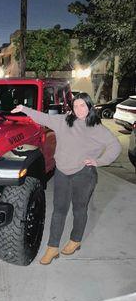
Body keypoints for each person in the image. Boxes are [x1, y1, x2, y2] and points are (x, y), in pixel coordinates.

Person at [11, 92, 121, 265]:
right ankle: (52, 247)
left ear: (89, 106)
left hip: (84, 174)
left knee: (79, 209)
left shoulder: (96, 127)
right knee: (59, 210)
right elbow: (44, 118)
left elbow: (115, 146)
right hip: (62, 173)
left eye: (82, 105)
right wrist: (24, 109)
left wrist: (99, 161)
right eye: (76, 105)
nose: (79, 109)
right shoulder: (63, 121)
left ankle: (75, 240)